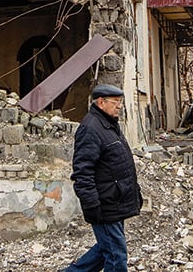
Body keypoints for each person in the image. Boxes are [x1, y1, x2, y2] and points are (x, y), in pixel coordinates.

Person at [62, 84, 143, 272]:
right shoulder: (90, 128)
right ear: (101, 102)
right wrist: (92, 205)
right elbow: (82, 172)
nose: (120, 106)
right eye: (115, 102)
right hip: (104, 205)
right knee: (116, 257)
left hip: (115, 201)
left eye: (120, 102)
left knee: (106, 249)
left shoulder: (108, 125)